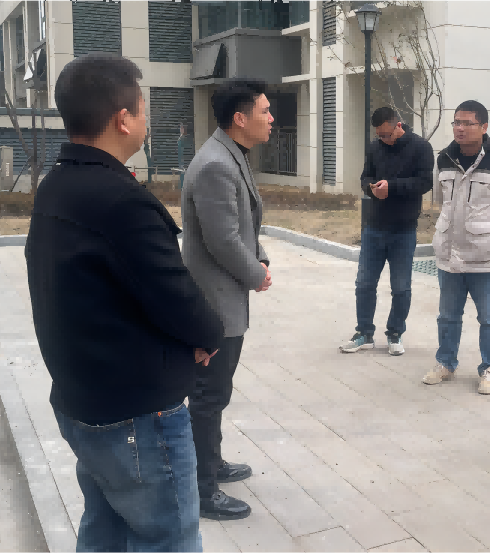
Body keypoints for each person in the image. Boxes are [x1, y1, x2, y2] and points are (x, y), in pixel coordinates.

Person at [25, 54, 224, 552]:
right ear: (122, 119)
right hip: (137, 416)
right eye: (143, 109)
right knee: (169, 539)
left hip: (84, 402)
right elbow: (174, 294)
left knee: (106, 532)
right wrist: (209, 335)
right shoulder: (121, 201)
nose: (145, 119)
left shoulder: (55, 186)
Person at [181, 78, 273, 521]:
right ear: (240, 118)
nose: (271, 118)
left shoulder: (230, 154)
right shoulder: (216, 165)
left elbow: (244, 224)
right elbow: (222, 240)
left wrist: (261, 257)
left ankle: (212, 464)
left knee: (215, 392)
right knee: (207, 395)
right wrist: (256, 274)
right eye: (264, 111)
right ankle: (202, 490)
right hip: (214, 303)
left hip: (224, 296)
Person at [422, 101, 490, 393]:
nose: (460, 128)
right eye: (456, 122)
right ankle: (446, 363)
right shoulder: (443, 159)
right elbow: (441, 200)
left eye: (467, 123)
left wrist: (489, 231)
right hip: (450, 254)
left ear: (484, 127)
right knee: (447, 316)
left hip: (485, 257)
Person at [339, 106, 434, 356]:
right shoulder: (375, 148)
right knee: (364, 283)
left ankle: (395, 333)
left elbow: (424, 182)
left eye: (386, 135)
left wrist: (392, 187)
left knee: (401, 287)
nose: (383, 139)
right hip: (374, 227)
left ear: (398, 126)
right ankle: (364, 333)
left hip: (404, 229)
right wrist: (371, 189)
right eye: (379, 135)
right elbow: (365, 178)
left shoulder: (421, 147)